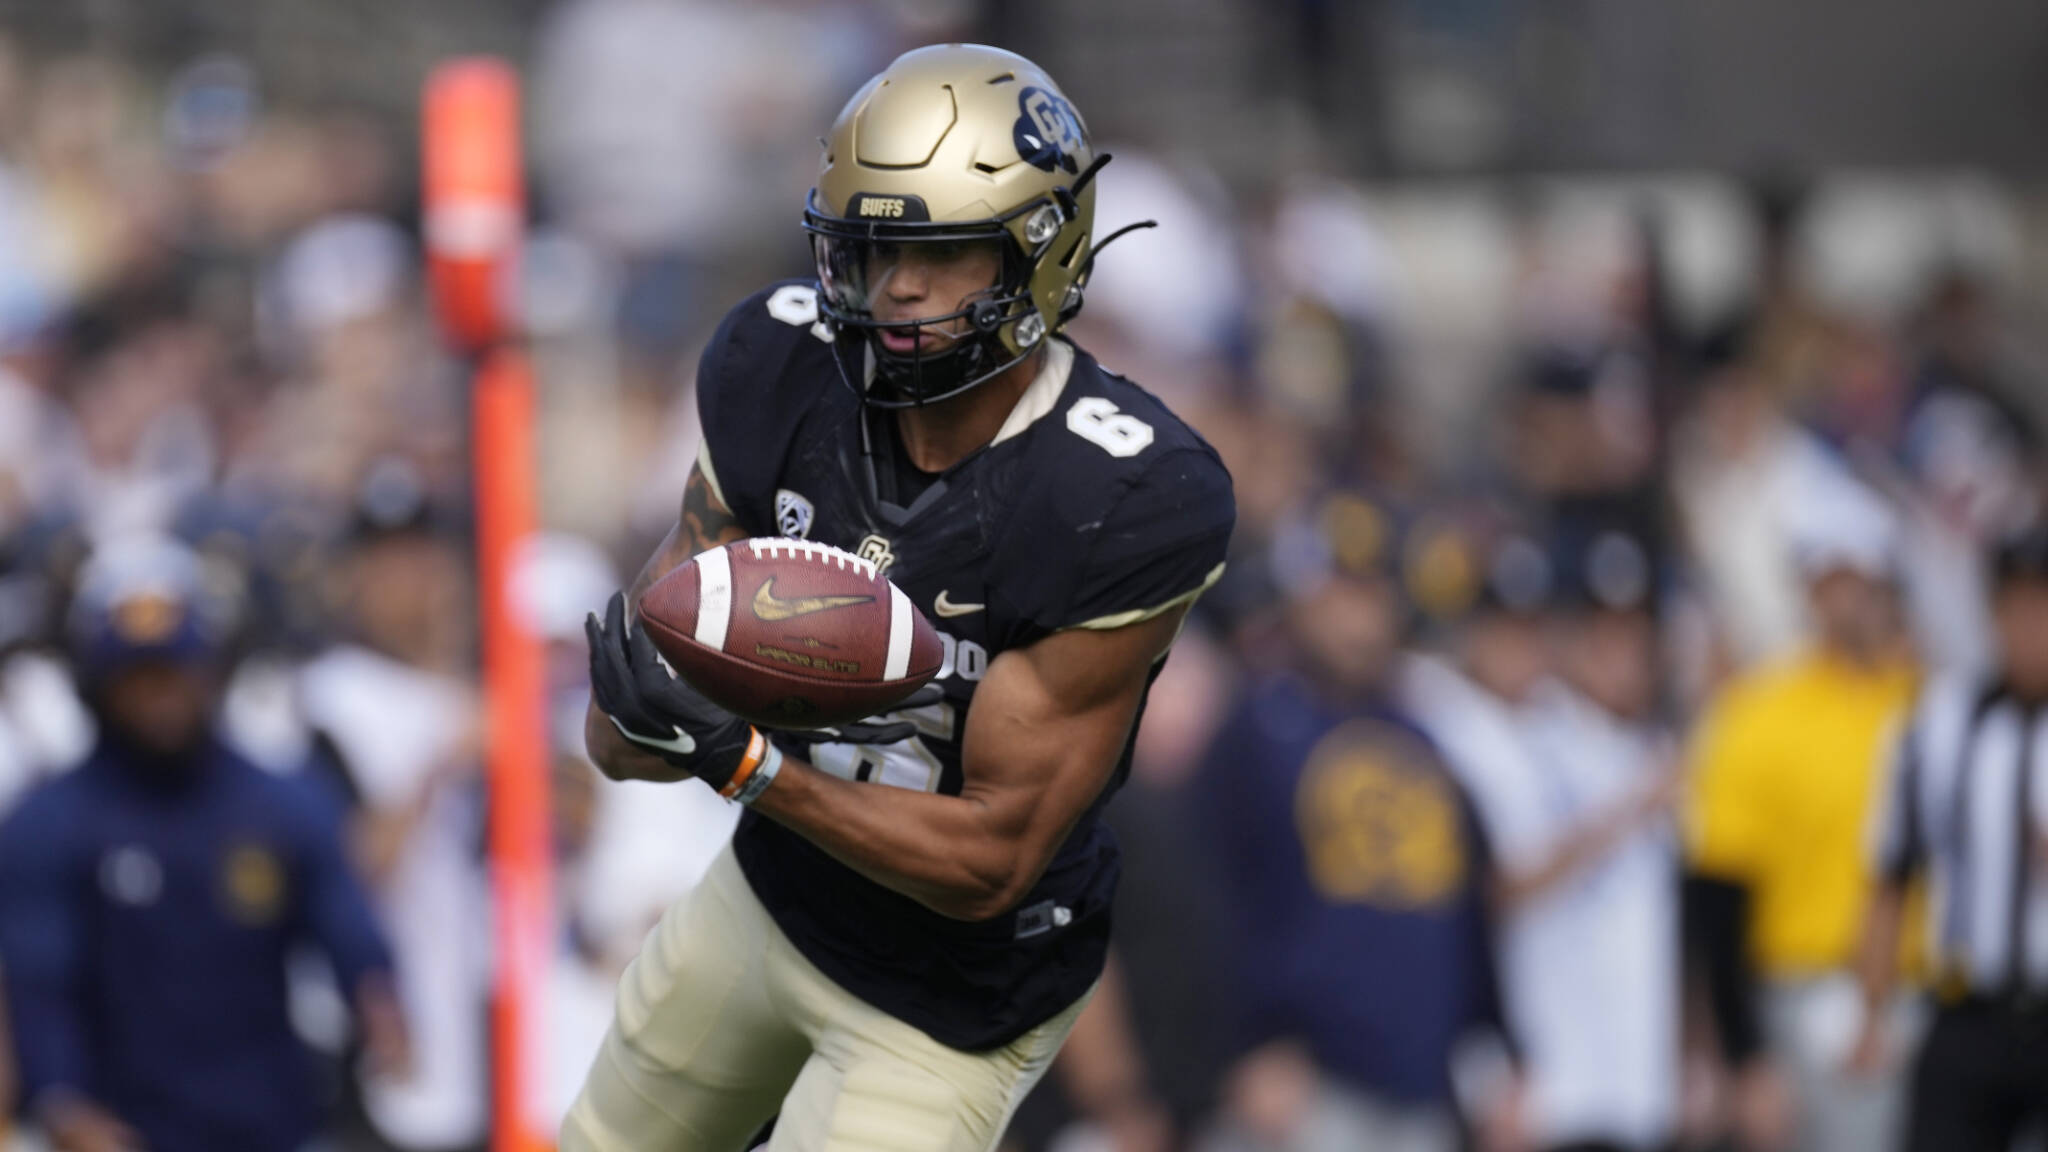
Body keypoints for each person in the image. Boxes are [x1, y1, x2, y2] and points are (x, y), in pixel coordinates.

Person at [564, 43, 1235, 1152]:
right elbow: (618, 738)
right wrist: (653, 706)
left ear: (1038, 254)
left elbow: (985, 865)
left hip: (952, 995)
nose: (896, 289)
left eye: (945, 253)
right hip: (775, 893)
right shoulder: (778, 367)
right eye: (871, 250)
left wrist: (741, 761)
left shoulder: (1120, 494)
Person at [0, 534, 407, 1152]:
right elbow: (38, 984)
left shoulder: (281, 800)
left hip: (274, 1121)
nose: (162, 696)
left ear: (215, 669)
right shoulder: (49, 822)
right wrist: (62, 1102)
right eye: (139, 676)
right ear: (96, 684)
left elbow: (346, 922)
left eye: (177, 672)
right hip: (122, 1129)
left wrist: (378, 1001)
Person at [1193, 493, 1516, 1152]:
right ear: (1301, 601)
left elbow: (1467, 909)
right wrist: (1247, 1043)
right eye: (1340, 591)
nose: (1358, 616)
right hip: (1305, 1083)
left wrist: (1498, 1051)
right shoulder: (1256, 728)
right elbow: (1206, 900)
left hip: (1423, 1084)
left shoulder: (1428, 739)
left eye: (1371, 592)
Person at [1406, 525, 1680, 1152]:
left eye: (1531, 631)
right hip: (1516, 1064)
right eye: (1503, 630)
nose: (1519, 649)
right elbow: (1493, 893)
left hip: (1615, 1068)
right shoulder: (1442, 720)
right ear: (1471, 633)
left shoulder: (1563, 726)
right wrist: (1622, 816)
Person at [1683, 484, 1920, 1152]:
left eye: (1857, 579)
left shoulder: (1932, 702)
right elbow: (1717, 898)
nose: (1845, 600)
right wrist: (1748, 1056)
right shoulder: (1758, 714)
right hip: (1807, 994)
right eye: (1827, 580)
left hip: (1927, 994)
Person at [1854, 522, 2048, 1151]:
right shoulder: (1938, 724)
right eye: (2020, 605)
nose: (2033, 626)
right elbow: (1891, 871)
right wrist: (1872, 1012)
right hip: (1968, 1009)